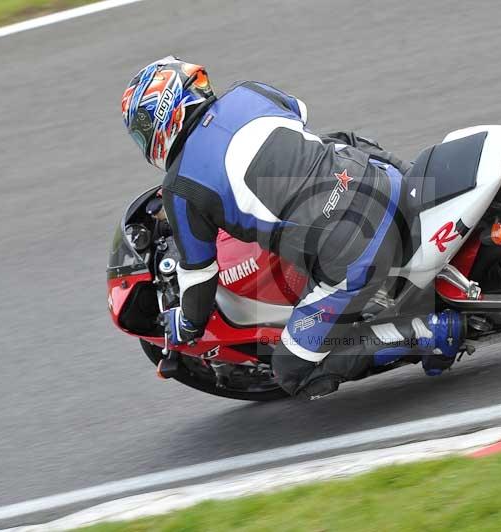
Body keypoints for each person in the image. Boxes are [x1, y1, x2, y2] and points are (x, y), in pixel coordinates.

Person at [121, 56, 464, 399]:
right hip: (384, 181)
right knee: (338, 140)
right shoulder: (249, 92)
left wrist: (187, 325)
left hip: (355, 252)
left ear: (163, 117)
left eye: (143, 132)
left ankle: (428, 334)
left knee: (291, 369)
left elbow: (199, 275)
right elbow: (297, 117)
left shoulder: (182, 189)